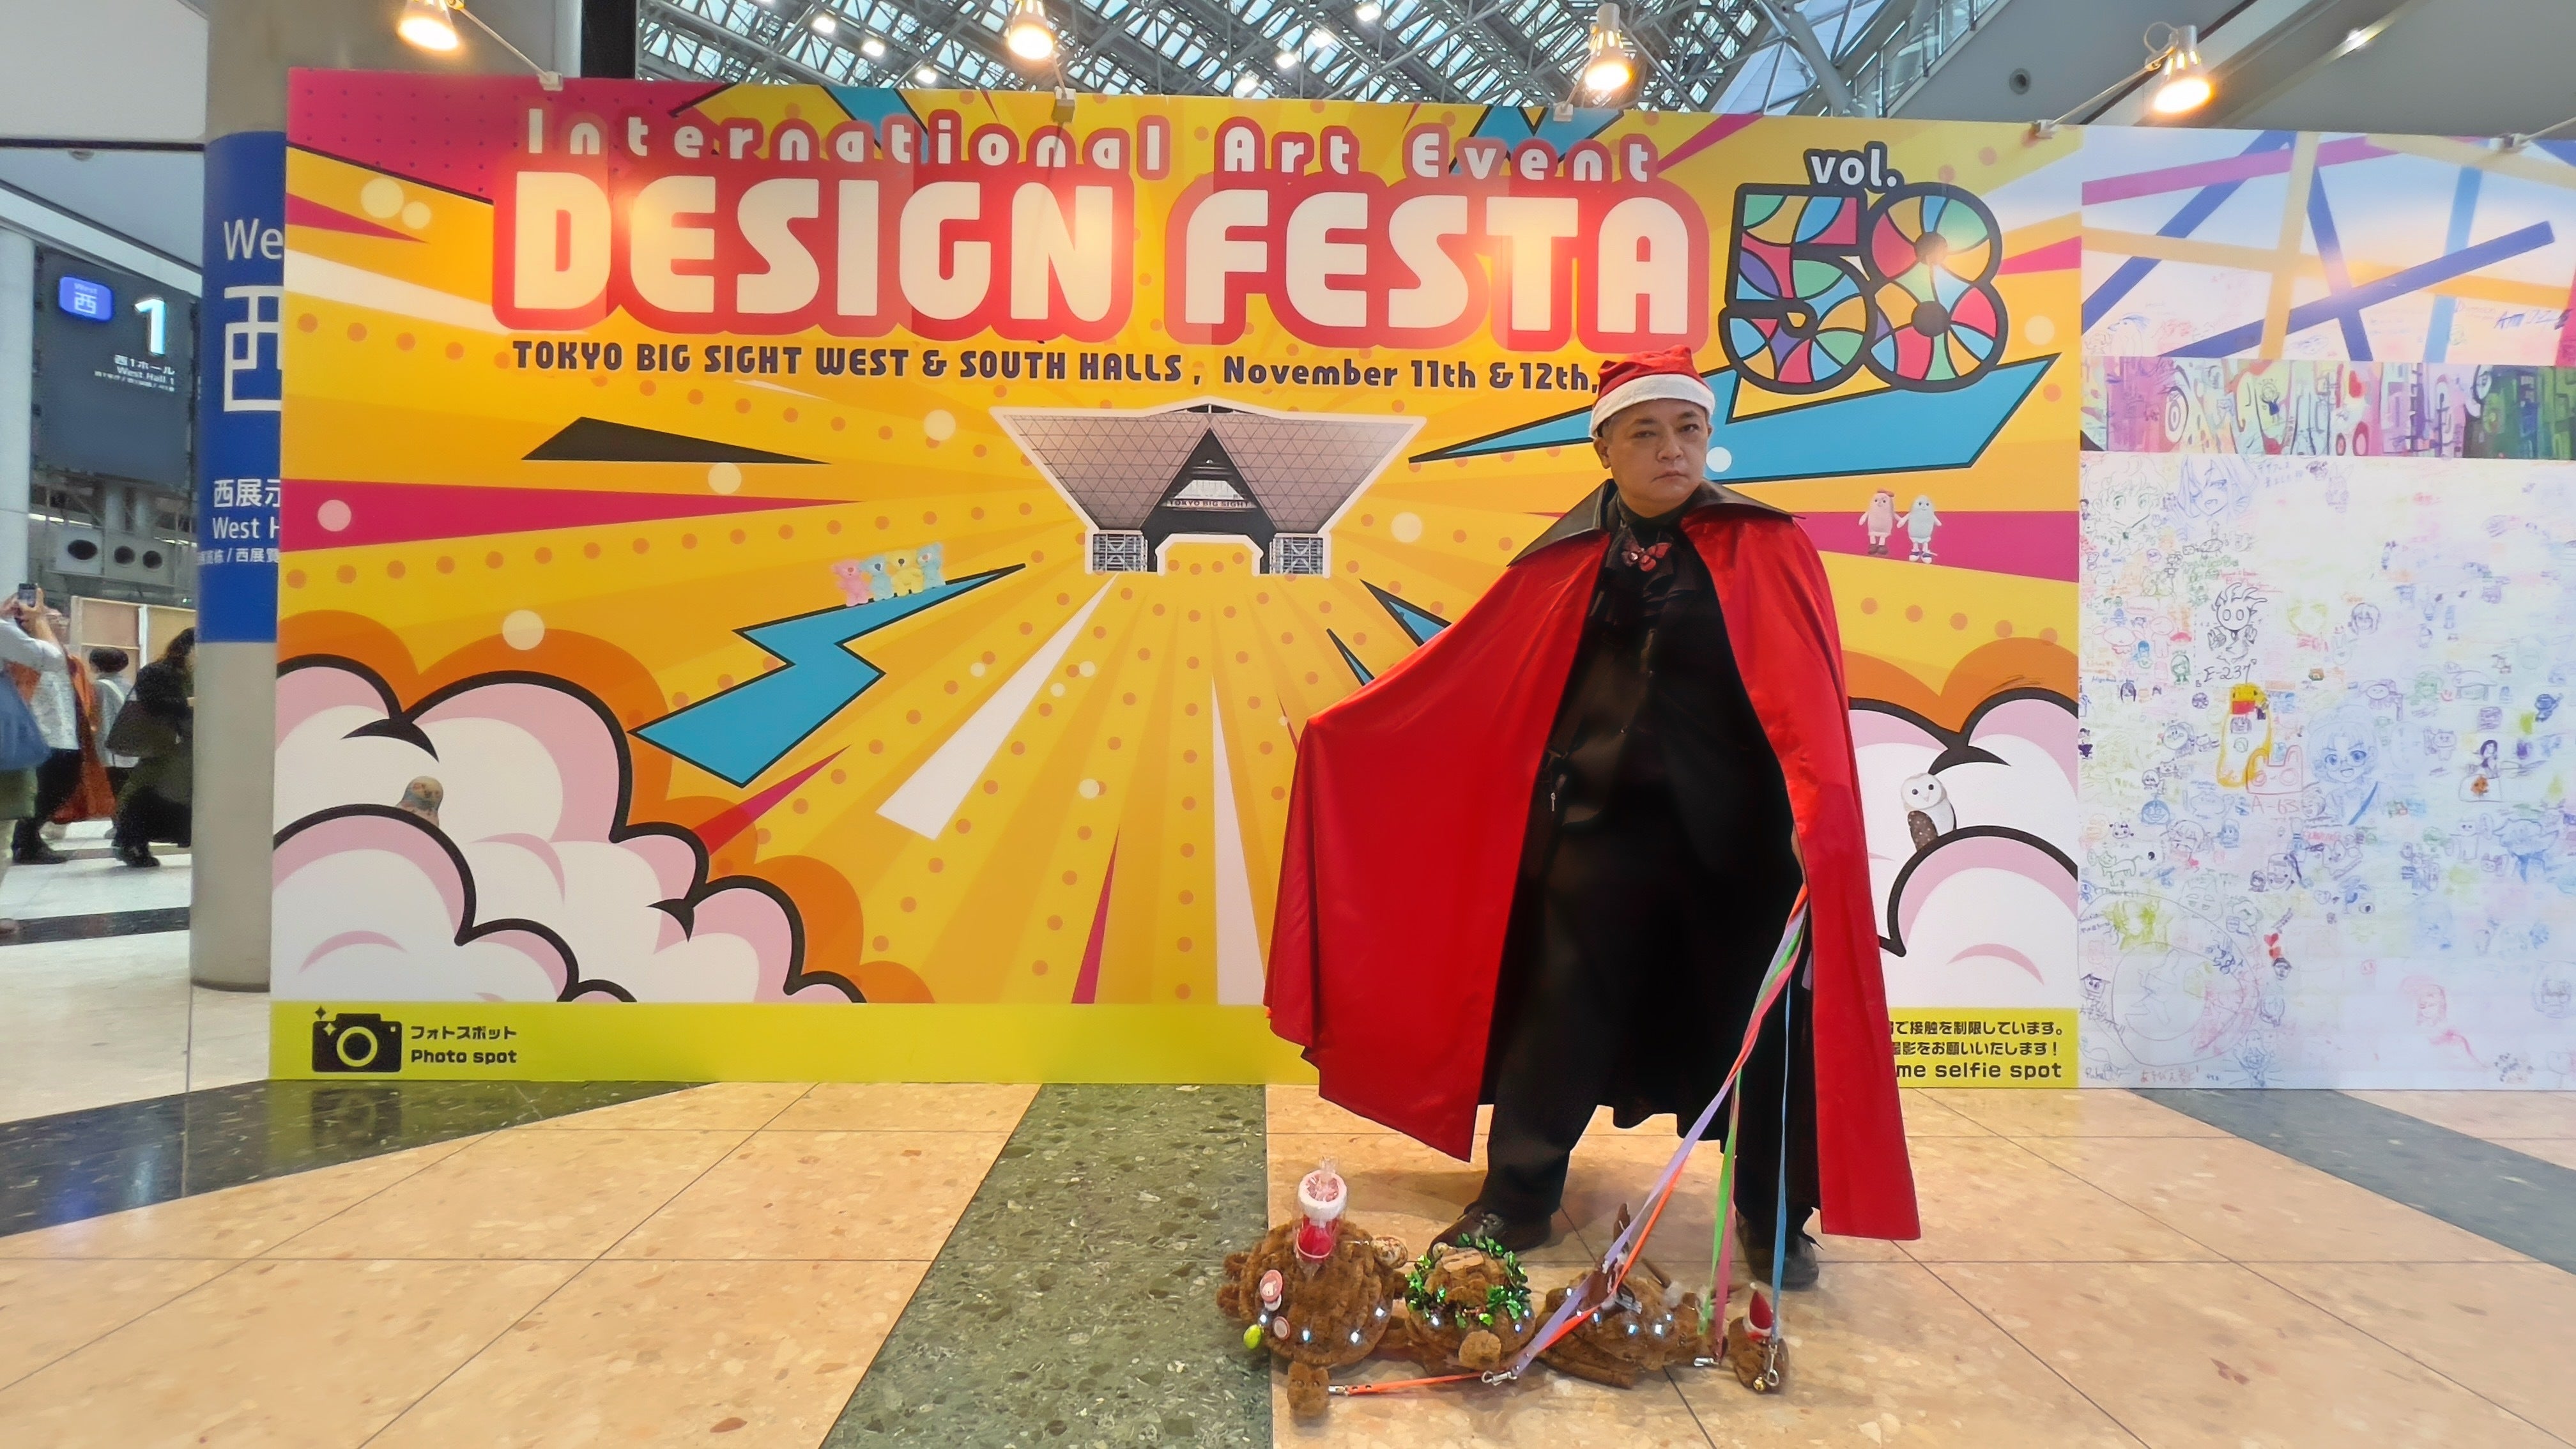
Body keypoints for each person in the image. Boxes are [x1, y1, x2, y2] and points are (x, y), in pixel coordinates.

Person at [1269, 348, 1917, 1287]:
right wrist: (1349, 738)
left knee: (1761, 1033)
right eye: (1645, 432)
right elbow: (1475, 677)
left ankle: (1773, 1216)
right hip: (1598, 831)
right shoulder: (1566, 559)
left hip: (1742, 845)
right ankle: (1517, 1197)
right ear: (1605, 448)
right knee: (1560, 1016)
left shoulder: (1767, 547)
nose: (1671, 449)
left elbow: (1811, 701)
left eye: (1687, 429)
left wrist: (1816, 819)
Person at [112, 627, 193, 868]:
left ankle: (136, 842)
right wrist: (189, 703)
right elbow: (154, 702)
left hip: (188, 749)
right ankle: (131, 842)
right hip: (162, 746)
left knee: (175, 795)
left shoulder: (205, 673)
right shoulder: (159, 671)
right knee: (150, 792)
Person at [8, 603, 81, 864]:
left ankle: (28, 836)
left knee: (64, 783)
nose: (60, 623)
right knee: (40, 788)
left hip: (64, 729)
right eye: (52, 619)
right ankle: (26, 840)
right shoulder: (20, 647)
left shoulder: (62, 653)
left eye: (61, 619)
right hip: (36, 731)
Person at [88, 647, 134, 797]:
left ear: (96, 664)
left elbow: (103, 720)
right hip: (131, 749)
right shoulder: (129, 684)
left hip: (112, 752)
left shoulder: (99, 687)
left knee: (114, 794)